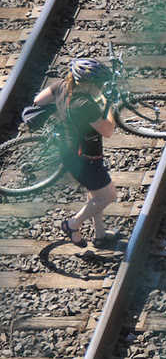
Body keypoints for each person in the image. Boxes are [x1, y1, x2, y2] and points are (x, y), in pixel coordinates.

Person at [33, 58, 119, 249]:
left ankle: (100, 235)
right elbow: (108, 131)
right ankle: (72, 225)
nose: (101, 87)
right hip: (85, 158)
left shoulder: (63, 85)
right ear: (86, 83)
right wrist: (109, 105)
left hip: (71, 151)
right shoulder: (85, 105)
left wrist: (61, 113)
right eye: (98, 84)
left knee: (95, 194)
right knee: (108, 196)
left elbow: (38, 100)